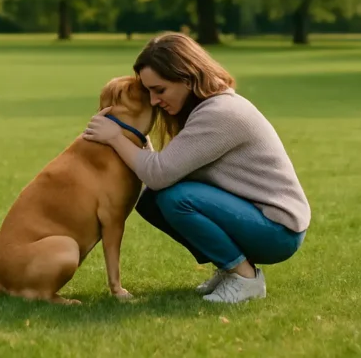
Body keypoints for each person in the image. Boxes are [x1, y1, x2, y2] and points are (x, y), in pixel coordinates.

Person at [81, 33, 310, 304]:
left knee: (175, 198)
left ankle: (245, 279)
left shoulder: (220, 113)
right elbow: (163, 169)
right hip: (256, 218)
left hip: (277, 231)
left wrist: (115, 137)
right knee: (152, 201)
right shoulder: (205, 108)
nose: (154, 101)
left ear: (187, 78)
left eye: (160, 90)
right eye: (149, 91)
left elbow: (159, 174)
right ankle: (230, 269)